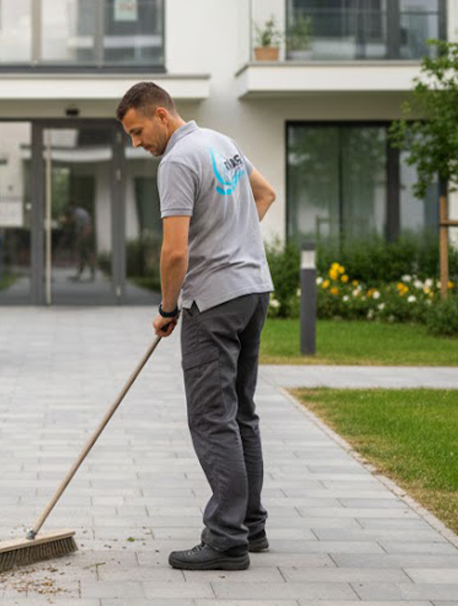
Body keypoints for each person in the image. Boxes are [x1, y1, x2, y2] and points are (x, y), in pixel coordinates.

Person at [115, 81, 277, 572]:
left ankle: (227, 540)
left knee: (211, 417)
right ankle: (251, 527)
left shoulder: (177, 162)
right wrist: (233, 244)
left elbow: (175, 250)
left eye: (138, 131)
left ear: (161, 114)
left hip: (215, 301)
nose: (136, 143)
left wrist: (168, 308)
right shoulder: (221, 143)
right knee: (241, 413)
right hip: (253, 290)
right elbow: (264, 195)